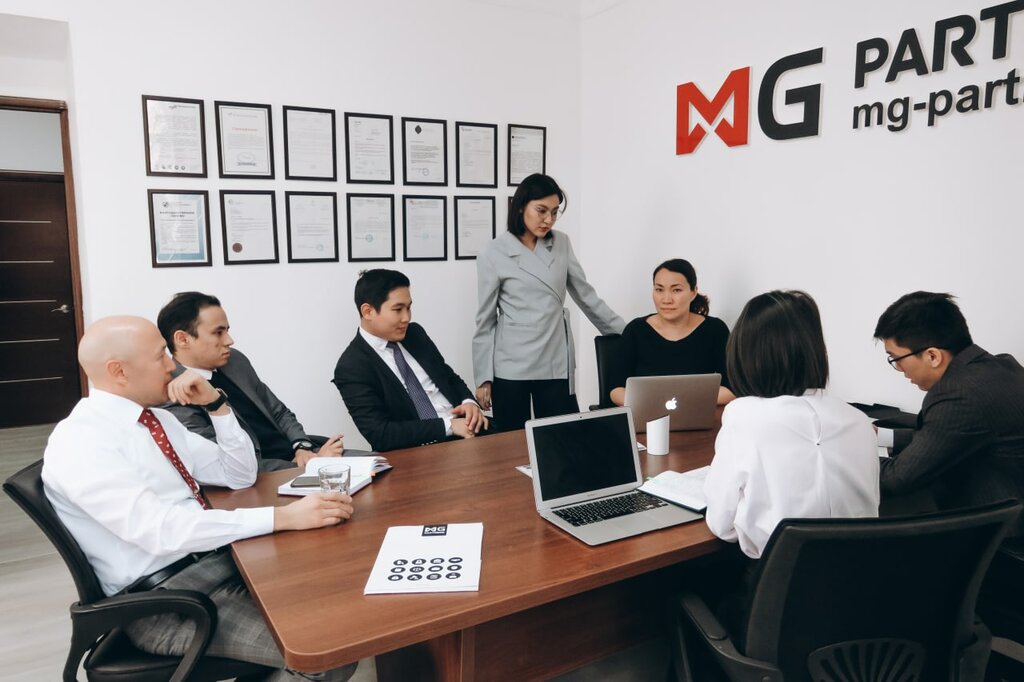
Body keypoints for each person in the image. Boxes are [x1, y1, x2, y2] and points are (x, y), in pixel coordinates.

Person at [42, 316, 355, 681]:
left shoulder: (157, 422)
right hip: (166, 603)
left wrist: (217, 406)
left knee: (337, 592)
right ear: (119, 371)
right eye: (160, 356)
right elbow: (162, 531)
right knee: (327, 653)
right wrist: (283, 517)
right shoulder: (80, 442)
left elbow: (238, 474)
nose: (172, 366)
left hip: (218, 562)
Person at [704, 290, 879, 560]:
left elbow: (721, 525)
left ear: (745, 355)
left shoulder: (744, 415)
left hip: (780, 580)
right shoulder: (859, 421)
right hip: (861, 576)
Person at [473, 173, 624, 431]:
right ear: (520, 207)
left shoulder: (561, 242)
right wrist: (483, 377)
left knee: (564, 437)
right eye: (541, 211)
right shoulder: (494, 252)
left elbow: (587, 297)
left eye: (554, 212)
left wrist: (629, 333)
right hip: (511, 365)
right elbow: (485, 320)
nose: (549, 220)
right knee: (511, 442)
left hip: (555, 360)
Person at [873, 291, 1024, 539]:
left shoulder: (957, 394)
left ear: (932, 356)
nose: (899, 369)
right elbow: (946, 437)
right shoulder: (1001, 366)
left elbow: (896, 479)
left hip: (1001, 539)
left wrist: (842, 454)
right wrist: (881, 436)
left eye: (896, 359)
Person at [157, 292, 344, 471]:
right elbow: (226, 463)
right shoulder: (173, 393)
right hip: (266, 477)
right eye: (218, 333)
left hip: (302, 456)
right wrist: (312, 466)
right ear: (183, 339)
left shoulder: (234, 361)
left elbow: (279, 412)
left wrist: (302, 447)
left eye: (227, 330)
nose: (230, 341)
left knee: (362, 463)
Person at [333, 269, 487, 452]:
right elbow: (380, 434)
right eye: (398, 309)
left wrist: (469, 402)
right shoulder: (352, 366)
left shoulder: (415, 334)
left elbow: (449, 377)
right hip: (420, 451)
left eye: (408, 307)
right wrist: (449, 426)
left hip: (470, 431)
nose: (407, 317)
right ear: (368, 311)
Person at [608, 258, 735, 407]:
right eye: (659, 290)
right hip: (647, 416)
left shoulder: (715, 329)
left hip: (697, 415)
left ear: (693, 292)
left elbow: (732, 389)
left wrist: (680, 400)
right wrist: (654, 403)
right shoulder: (636, 330)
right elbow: (615, 390)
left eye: (676, 290)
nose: (666, 299)